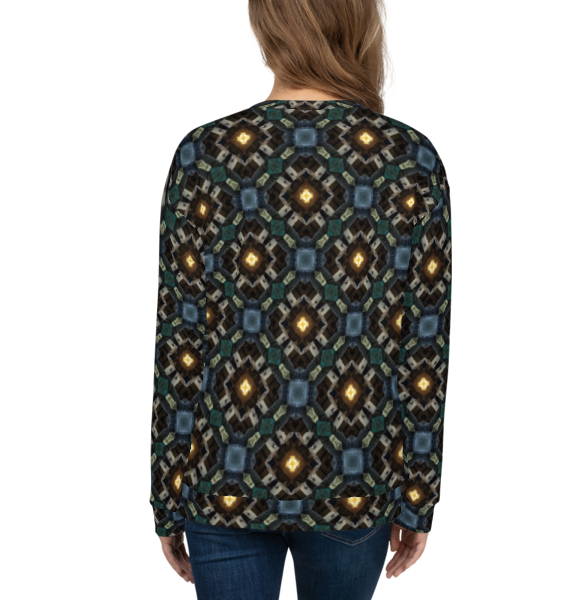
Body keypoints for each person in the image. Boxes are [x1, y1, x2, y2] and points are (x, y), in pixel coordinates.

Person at [152, 1, 451, 598]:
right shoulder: (409, 158)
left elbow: (180, 341)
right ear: (362, 24)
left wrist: (167, 495)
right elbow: (423, 350)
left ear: (267, 25)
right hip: (354, 479)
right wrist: (417, 496)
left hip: (225, 477)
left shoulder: (205, 153)